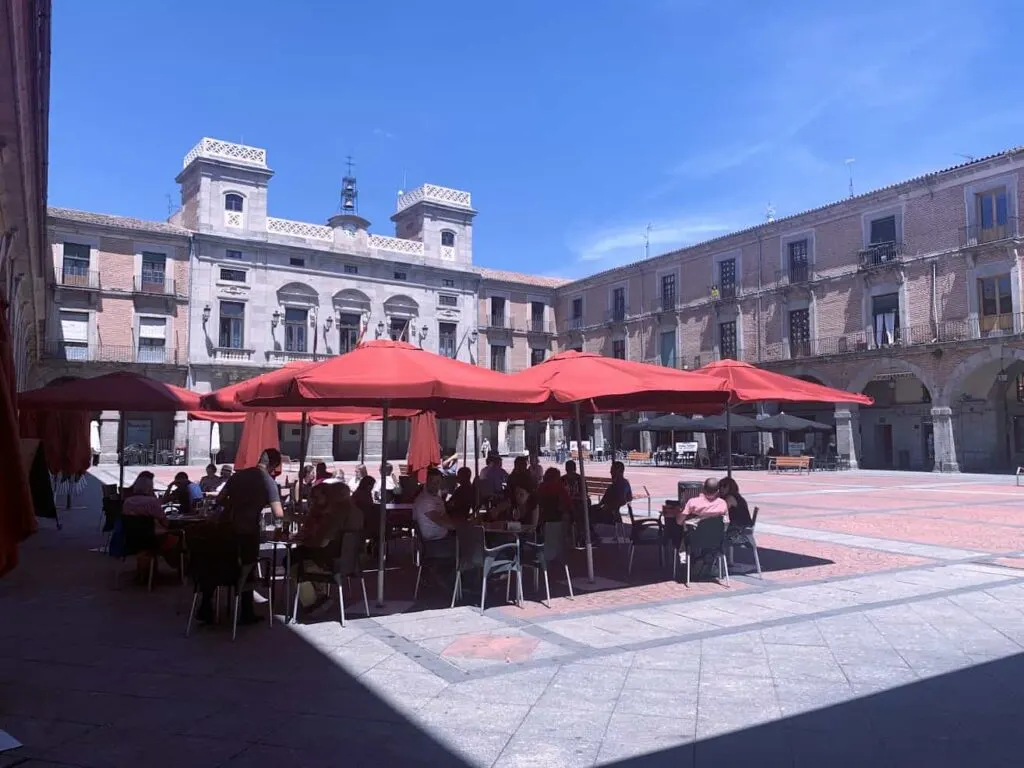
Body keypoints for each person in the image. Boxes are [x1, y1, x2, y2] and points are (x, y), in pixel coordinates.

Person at [203, 447, 285, 625]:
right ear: (273, 465)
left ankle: (206, 604)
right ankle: (245, 611)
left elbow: (220, 499)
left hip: (225, 528)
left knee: (219, 564)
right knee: (247, 569)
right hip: (248, 531)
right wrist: (279, 528)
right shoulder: (267, 481)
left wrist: (234, 504)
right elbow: (278, 513)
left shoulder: (238, 476)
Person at [121, 472, 180, 579]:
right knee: (176, 537)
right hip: (151, 540)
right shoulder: (152, 502)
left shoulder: (127, 502)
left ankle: (146, 571)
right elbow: (165, 522)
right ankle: (178, 566)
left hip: (130, 540)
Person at [413, 468, 458, 542]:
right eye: (432, 482)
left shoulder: (436, 497)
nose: (435, 485)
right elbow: (442, 522)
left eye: (437, 482)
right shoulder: (425, 500)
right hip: (435, 541)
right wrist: (463, 526)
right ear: (427, 481)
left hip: (443, 536)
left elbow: (445, 516)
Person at [589, 461, 632, 526]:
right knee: (588, 511)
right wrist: (599, 506)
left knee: (588, 514)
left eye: (612, 470)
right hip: (608, 510)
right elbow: (604, 499)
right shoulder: (615, 484)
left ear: (619, 471)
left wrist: (608, 507)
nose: (610, 472)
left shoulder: (621, 484)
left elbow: (622, 499)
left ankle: (590, 532)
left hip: (611, 514)